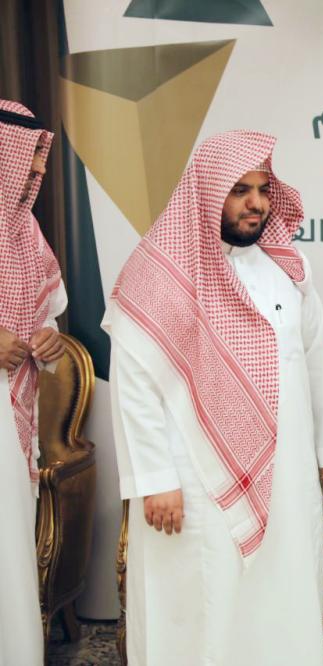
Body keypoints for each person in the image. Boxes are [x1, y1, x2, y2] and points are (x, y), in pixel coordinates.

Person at [104, 130, 323, 665]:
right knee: (202, 605)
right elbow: (134, 385)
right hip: (193, 480)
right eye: (239, 190)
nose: (256, 203)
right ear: (206, 194)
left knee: (279, 596)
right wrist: (154, 479)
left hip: (286, 473)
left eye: (263, 190)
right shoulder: (159, 273)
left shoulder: (288, 267)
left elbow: (314, 358)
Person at [0, 99, 67, 666]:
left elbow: (46, 315)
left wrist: (50, 341)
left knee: (9, 553)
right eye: (26, 159)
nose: (37, 171)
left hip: (12, 421)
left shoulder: (26, 231)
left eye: (39, 159)